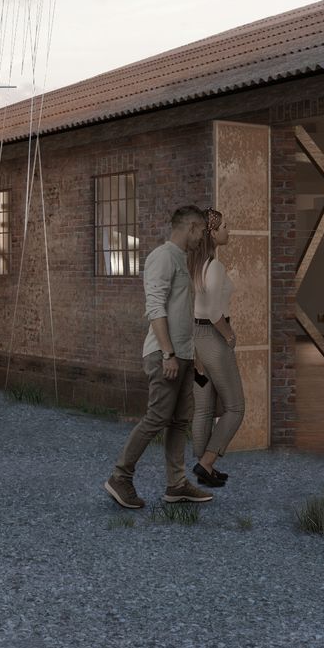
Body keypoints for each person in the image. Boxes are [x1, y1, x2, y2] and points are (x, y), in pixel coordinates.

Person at [104, 203, 213, 509]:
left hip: (184, 356)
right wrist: (167, 353)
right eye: (201, 232)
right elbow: (156, 307)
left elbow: (183, 313)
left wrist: (192, 356)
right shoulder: (163, 257)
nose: (201, 238)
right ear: (190, 227)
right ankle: (120, 477)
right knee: (157, 418)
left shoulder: (182, 259)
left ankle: (176, 485)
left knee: (179, 422)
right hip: (166, 356)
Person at [191, 207, 245, 488]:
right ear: (212, 233)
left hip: (195, 337)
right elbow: (213, 311)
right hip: (213, 336)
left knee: (203, 408)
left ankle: (203, 469)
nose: (228, 231)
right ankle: (206, 463)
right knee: (235, 407)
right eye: (224, 227)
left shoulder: (193, 265)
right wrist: (229, 334)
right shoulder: (215, 266)